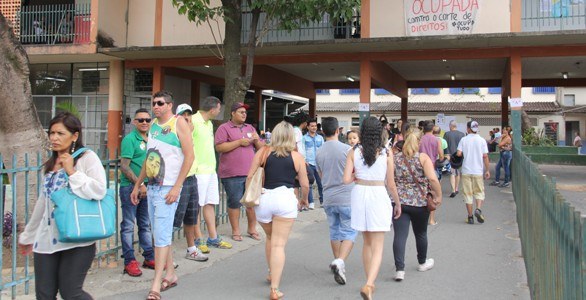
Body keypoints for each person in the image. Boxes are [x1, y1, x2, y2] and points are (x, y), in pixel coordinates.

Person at [19, 112, 107, 299]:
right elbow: (43, 203)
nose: (54, 138)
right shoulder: (51, 164)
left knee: (71, 293)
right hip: (47, 240)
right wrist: (28, 235)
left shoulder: (86, 158)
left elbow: (99, 190)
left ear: (75, 136)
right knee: (44, 294)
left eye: (60, 133)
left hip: (78, 238)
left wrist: (72, 172)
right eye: (52, 133)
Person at [131, 90, 195, 299]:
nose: (156, 107)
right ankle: (171, 273)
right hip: (152, 187)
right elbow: (149, 159)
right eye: (154, 103)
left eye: (160, 103)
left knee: (160, 236)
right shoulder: (154, 127)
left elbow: (190, 156)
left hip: (168, 188)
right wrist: (137, 184)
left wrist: (177, 187)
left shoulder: (179, 123)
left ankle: (156, 283)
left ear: (169, 105)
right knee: (159, 233)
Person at [246, 121, 309, 300]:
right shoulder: (296, 157)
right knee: (279, 244)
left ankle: (271, 272)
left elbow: (250, 176)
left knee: (271, 237)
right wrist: (303, 199)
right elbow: (304, 183)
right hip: (285, 198)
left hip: (264, 199)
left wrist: (249, 198)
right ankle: (274, 288)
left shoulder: (263, 152)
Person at [343, 117, 401, 300]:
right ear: (380, 131)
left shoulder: (353, 151)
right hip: (378, 194)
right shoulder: (386, 152)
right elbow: (391, 184)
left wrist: (356, 179)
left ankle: (370, 282)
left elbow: (345, 180)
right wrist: (398, 203)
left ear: (362, 132)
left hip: (359, 193)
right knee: (378, 245)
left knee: (367, 242)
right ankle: (369, 284)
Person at [392, 133, 442, 282]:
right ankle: (422, 262)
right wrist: (438, 195)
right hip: (420, 203)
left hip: (400, 202)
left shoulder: (396, 158)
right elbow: (432, 178)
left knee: (400, 236)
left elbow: (390, 179)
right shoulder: (423, 158)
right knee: (420, 233)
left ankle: (400, 270)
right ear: (418, 142)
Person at [316, 117, 356, 285]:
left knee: (334, 231)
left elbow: (321, 176)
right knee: (349, 231)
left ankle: (337, 261)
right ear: (338, 130)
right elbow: (355, 173)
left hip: (329, 197)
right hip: (346, 196)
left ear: (322, 131)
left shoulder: (319, 152)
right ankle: (340, 261)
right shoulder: (348, 149)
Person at [215, 102, 264, 242]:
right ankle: (236, 231)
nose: (244, 114)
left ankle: (252, 229)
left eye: (245, 112)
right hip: (232, 174)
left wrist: (256, 140)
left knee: (251, 203)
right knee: (235, 203)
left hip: (250, 173)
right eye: (241, 112)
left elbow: (261, 147)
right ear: (232, 113)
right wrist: (238, 142)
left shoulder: (250, 128)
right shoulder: (224, 128)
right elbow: (219, 147)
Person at [193, 96, 233, 253]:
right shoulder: (193, 121)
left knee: (210, 203)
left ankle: (213, 237)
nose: (219, 111)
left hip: (210, 170)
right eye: (218, 109)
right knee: (196, 206)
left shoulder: (209, 124)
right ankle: (198, 238)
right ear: (212, 109)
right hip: (198, 171)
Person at [119, 108, 155, 277]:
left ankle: (149, 257)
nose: (144, 122)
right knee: (127, 225)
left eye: (147, 120)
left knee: (145, 224)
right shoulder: (129, 139)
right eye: (140, 120)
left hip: (148, 187)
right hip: (130, 187)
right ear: (134, 122)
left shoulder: (151, 139)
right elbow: (124, 166)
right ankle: (129, 261)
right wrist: (139, 184)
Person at [173, 103, 208, 262]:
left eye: (188, 114)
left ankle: (191, 249)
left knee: (191, 217)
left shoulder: (192, 131)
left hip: (192, 177)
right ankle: (165, 255)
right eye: (183, 114)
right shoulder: (175, 133)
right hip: (180, 179)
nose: (186, 117)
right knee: (174, 219)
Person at [456, 121, 490, 225]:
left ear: (468, 129)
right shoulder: (482, 140)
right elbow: (485, 156)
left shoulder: (463, 139)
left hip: (466, 170)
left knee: (468, 194)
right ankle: (478, 209)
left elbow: (458, 153)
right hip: (478, 171)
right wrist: (487, 170)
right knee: (479, 192)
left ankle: (470, 217)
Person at [419, 121, 443, 226]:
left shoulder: (420, 139)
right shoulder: (436, 140)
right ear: (432, 129)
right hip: (432, 167)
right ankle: (431, 219)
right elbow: (441, 156)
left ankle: (419, 217)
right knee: (432, 194)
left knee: (420, 192)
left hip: (419, 168)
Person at [303, 118, 324, 209]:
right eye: (312, 126)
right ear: (308, 127)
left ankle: (323, 201)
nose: (314, 127)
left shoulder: (320, 138)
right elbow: (302, 150)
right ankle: (311, 202)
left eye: (315, 126)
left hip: (319, 164)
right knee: (309, 184)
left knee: (321, 183)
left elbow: (324, 150)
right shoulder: (304, 138)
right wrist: (304, 161)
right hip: (309, 163)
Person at [444, 120, 466, 198]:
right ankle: (456, 188)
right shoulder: (462, 134)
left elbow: (445, 146)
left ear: (450, 126)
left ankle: (453, 190)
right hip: (459, 156)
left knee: (452, 173)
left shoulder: (447, 134)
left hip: (450, 156)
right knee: (458, 172)